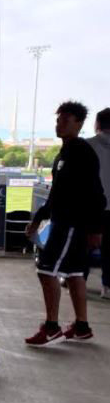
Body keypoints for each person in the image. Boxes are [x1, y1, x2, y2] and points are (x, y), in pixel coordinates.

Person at [25, 101, 106, 344]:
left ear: (79, 124)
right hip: (64, 222)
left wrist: (95, 229)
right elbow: (55, 194)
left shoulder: (82, 152)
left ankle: (51, 327)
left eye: (65, 120)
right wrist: (38, 219)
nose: (59, 124)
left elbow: (96, 194)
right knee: (73, 274)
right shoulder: (63, 153)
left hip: (72, 224)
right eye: (58, 119)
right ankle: (82, 326)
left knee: (45, 269)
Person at [87, 108, 110, 299]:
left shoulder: (87, 146)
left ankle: (78, 282)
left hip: (91, 208)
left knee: (84, 249)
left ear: (97, 125)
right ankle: (107, 287)